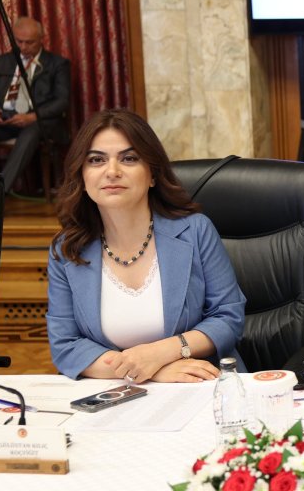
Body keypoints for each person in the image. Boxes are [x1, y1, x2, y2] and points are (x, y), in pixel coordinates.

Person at [46, 110, 245, 382]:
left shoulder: (195, 230)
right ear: (81, 177)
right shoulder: (66, 250)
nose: (112, 171)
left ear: (152, 174)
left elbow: (228, 318)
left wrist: (160, 354)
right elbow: (66, 345)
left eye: (129, 158)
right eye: (96, 160)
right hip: (114, 396)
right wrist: (152, 371)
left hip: (201, 388)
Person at [0, 16, 71, 193]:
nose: (23, 47)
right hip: (6, 120)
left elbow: (62, 101)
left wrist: (32, 117)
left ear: (41, 39)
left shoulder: (57, 64)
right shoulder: (2, 62)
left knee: (31, 132)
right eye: (19, 41)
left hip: (40, 122)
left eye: (29, 43)